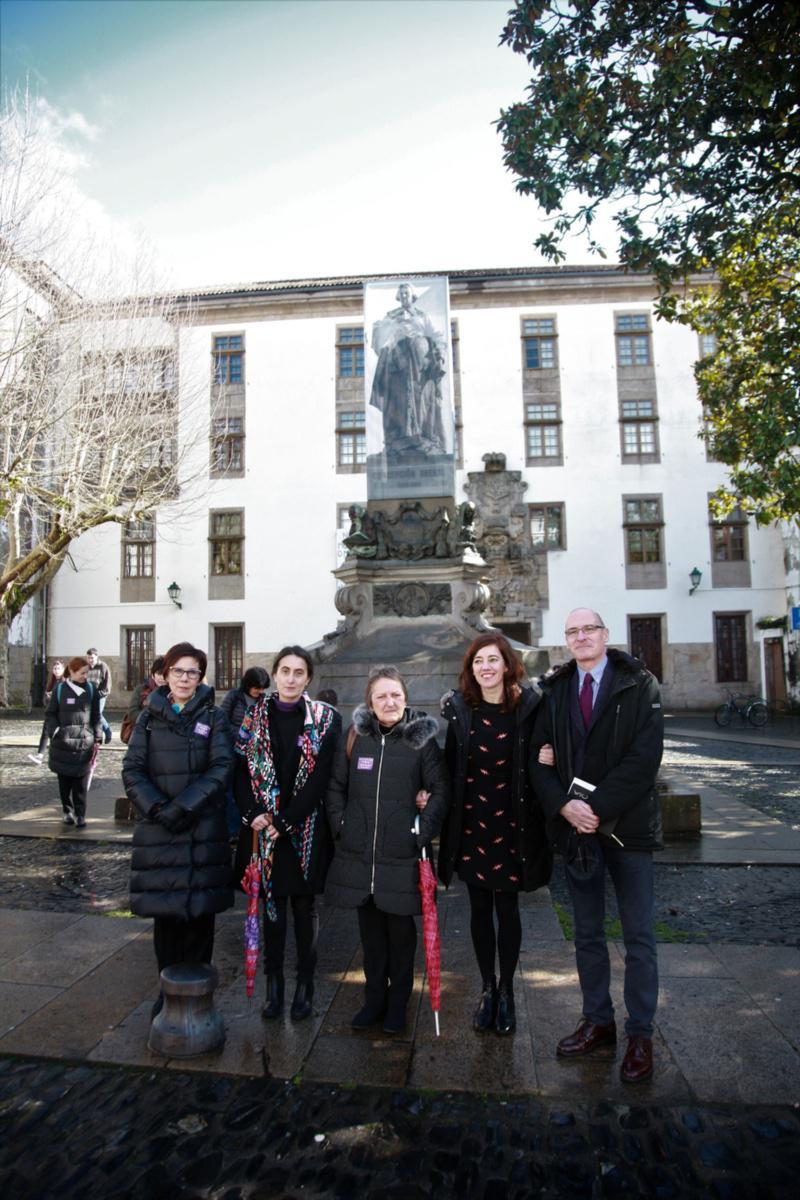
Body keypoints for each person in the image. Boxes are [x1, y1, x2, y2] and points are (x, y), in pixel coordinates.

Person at [529, 608, 664, 1083]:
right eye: (573, 631)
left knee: (638, 935)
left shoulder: (639, 684)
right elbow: (537, 761)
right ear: (567, 640)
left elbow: (643, 760)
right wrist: (564, 807)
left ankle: (641, 1033)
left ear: (605, 635)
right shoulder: (555, 691)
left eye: (589, 629)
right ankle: (598, 1021)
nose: (582, 636)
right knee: (587, 932)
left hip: (627, 828)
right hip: (577, 830)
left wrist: (595, 807)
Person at [325, 666, 450, 1034]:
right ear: (370, 702)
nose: (389, 702)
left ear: (405, 698)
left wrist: (421, 830)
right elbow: (335, 787)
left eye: (396, 695)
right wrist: (342, 825)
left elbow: (441, 790)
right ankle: (374, 999)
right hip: (361, 854)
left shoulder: (421, 741)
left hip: (402, 854)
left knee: (401, 935)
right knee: (371, 936)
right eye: (381, 696)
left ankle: (399, 1003)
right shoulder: (355, 738)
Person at [438, 634, 551, 1035]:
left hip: (512, 824)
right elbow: (449, 767)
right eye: (478, 662)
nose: (485, 667)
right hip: (472, 825)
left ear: (507, 665)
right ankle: (487, 987)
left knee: (507, 909)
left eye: (492, 660)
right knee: (479, 910)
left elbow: (544, 752)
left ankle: (507, 991)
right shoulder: (461, 710)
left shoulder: (530, 707)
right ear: (471, 670)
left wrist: (550, 754)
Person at [122, 641, 234, 1017]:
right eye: (178, 671)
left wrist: (185, 806)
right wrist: (158, 808)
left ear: (201, 677)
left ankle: (198, 994)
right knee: (166, 919)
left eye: (192, 672)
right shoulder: (148, 718)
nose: (185, 678)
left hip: (202, 831)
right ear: (165, 674)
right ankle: (167, 991)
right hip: (161, 832)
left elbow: (221, 767)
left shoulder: (215, 718)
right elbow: (133, 769)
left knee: (200, 919)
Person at [233, 646, 338, 1022]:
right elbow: (240, 769)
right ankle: (274, 986)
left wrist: (287, 821)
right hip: (263, 830)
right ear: (275, 674)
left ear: (308, 678)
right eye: (285, 671)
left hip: (304, 831)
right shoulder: (253, 715)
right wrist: (252, 812)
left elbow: (321, 778)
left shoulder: (326, 719)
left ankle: (305, 986)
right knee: (272, 910)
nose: (291, 679)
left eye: (299, 672)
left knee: (304, 910)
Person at [369, 282, 449, 456]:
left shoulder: (422, 315)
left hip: (420, 363)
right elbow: (378, 335)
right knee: (398, 399)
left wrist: (440, 352)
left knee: (421, 398)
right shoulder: (392, 316)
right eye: (402, 293)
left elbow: (436, 335)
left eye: (407, 293)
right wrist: (389, 328)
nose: (405, 296)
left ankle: (422, 436)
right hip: (398, 364)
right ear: (399, 297)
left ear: (413, 296)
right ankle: (400, 438)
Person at [43, 655, 102, 827]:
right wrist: (55, 731)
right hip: (63, 744)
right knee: (65, 782)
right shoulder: (60, 689)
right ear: (72, 672)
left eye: (87, 673)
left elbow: (96, 715)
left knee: (81, 784)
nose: (85, 676)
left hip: (84, 743)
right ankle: (67, 811)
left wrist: (98, 735)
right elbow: (50, 714)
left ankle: (80, 814)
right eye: (82, 673)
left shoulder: (91, 690)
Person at [220, 666, 270, 837]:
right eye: (256, 687)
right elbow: (222, 721)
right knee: (231, 790)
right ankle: (232, 830)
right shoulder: (235, 696)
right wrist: (241, 736)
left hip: (253, 753)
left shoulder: (263, 700)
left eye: (262, 688)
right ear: (248, 684)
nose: (259, 691)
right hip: (233, 750)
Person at [120, 656, 166, 744]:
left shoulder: (174, 692)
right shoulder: (141, 690)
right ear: (153, 675)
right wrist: (153, 720)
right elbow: (132, 712)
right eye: (159, 674)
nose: (162, 678)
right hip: (142, 736)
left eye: (165, 674)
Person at [30, 659, 66, 763]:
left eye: (58, 668)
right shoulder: (53, 681)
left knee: (59, 735)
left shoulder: (65, 682)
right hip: (51, 711)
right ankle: (40, 755)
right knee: (45, 733)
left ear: (63, 669)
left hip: (61, 712)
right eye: (55, 668)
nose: (56, 671)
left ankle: (61, 756)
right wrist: (47, 697)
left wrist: (53, 697)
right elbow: (46, 698)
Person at [86, 647, 113, 744]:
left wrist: (101, 693)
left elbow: (107, 684)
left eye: (92, 658)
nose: (90, 660)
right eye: (88, 658)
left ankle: (107, 731)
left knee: (98, 713)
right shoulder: (86, 667)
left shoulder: (103, 666)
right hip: (89, 696)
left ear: (96, 657)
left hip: (100, 695)